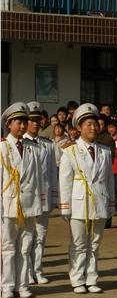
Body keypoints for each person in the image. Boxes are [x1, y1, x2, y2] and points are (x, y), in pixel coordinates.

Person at [59, 104, 115, 293]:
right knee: (79, 243)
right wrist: (65, 206)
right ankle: (77, 279)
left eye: (95, 124)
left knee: (95, 244)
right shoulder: (70, 150)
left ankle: (92, 279)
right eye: (89, 124)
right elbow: (65, 180)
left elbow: (109, 180)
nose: (93, 128)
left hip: (99, 202)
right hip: (79, 203)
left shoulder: (105, 151)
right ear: (80, 127)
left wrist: (111, 204)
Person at [1, 103, 44, 298]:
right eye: (18, 122)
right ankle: (7, 285)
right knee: (9, 246)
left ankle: (23, 284)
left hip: (28, 203)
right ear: (9, 124)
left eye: (24, 122)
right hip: (9, 203)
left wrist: (39, 204)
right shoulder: (2, 147)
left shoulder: (33, 147)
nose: (22, 125)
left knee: (25, 246)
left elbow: (38, 177)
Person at [24, 102, 58, 285]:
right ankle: (27, 271)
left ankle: (38, 269)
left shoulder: (47, 144)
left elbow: (52, 172)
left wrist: (54, 196)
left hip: (43, 195)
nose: (35, 124)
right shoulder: (21, 143)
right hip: (27, 197)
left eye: (38, 120)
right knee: (27, 236)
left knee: (41, 235)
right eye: (31, 120)